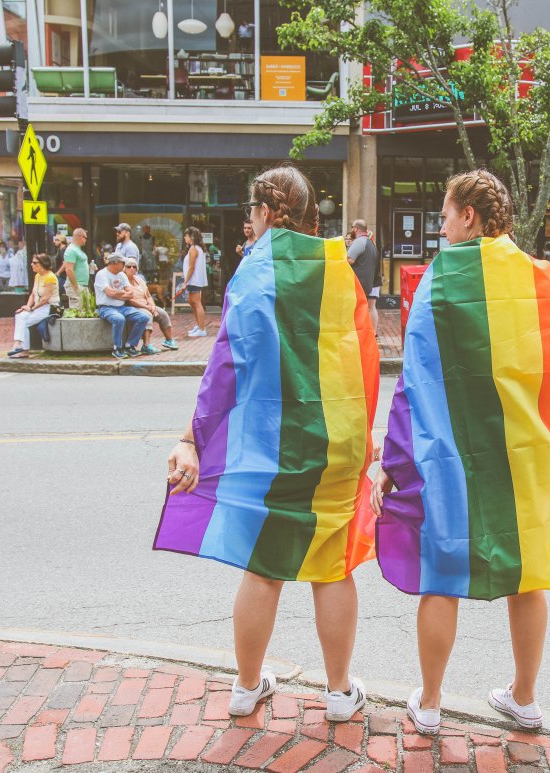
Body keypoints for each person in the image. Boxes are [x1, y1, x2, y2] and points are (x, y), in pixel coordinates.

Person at [370, 169, 550, 736]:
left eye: (446, 216)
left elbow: (415, 383)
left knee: (441, 575)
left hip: (451, 460)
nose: (442, 229)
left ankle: (427, 703)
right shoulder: (538, 277)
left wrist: (396, 464)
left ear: (468, 215)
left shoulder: (439, 281)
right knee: (527, 575)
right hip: (524, 456)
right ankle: (524, 697)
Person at [156, 164, 379, 722]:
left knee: (263, 566)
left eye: (250, 212)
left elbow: (226, 366)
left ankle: (247, 686)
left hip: (265, 444)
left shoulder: (252, 274)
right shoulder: (338, 270)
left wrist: (194, 437)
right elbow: (363, 362)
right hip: (332, 439)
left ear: (264, 212)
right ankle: (337, 692)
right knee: (332, 565)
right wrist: (364, 433)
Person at [94, 252, 151, 359]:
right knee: (119, 319)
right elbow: (109, 293)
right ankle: (117, 348)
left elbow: (131, 293)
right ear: (115, 263)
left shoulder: (122, 275)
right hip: (106, 308)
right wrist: (120, 293)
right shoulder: (102, 274)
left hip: (121, 307)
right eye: (123, 263)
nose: (124, 265)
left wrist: (117, 293)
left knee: (143, 317)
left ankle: (130, 345)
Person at [7, 253, 59, 359]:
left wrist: (31, 309)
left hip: (49, 307)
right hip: (39, 307)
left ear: (43, 264)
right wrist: (26, 306)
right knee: (20, 315)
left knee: (24, 321)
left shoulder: (50, 277)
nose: (32, 264)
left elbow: (45, 299)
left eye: (35, 263)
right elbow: (33, 294)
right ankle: (19, 346)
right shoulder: (38, 276)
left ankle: (21, 348)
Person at [123, 258, 178, 353]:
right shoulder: (123, 281)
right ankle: (146, 345)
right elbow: (130, 301)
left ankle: (169, 340)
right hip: (134, 307)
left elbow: (148, 295)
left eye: (134, 267)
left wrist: (152, 306)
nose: (132, 268)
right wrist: (148, 308)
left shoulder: (139, 280)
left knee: (162, 313)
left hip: (147, 305)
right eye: (129, 266)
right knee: (147, 315)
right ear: (124, 268)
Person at [346, 219, 380, 332]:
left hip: (359, 284)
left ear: (356, 228)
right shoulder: (370, 243)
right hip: (369, 282)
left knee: (356, 310)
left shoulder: (359, 241)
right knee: (370, 308)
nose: (351, 230)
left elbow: (349, 260)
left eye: (352, 227)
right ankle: (371, 333)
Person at [180, 227, 208, 337]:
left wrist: (185, 282)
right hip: (194, 279)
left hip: (194, 279)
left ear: (191, 237)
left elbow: (191, 268)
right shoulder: (195, 248)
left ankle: (202, 329)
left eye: (186, 235)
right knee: (192, 302)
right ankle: (199, 325)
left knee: (196, 303)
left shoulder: (193, 249)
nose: (184, 237)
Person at [63, 228, 91, 311]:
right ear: (80, 237)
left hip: (83, 285)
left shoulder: (77, 249)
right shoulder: (71, 250)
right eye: (85, 237)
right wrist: (76, 287)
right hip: (76, 285)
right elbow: (69, 270)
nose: (86, 240)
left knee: (85, 310)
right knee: (78, 310)